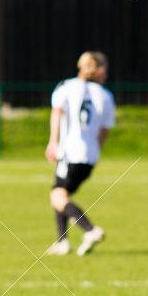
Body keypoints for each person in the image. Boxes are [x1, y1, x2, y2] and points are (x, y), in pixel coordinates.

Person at [44, 51, 114, 257]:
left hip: (70, 152)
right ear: (99, 70)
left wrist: (53, 142)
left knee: (57, 196)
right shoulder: (106, 96)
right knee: (63, 192)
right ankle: (62, 242)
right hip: (89, 155)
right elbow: (104, 130)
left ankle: (90, 230)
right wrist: (95, 151)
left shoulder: (66, 87)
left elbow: (57, 112)